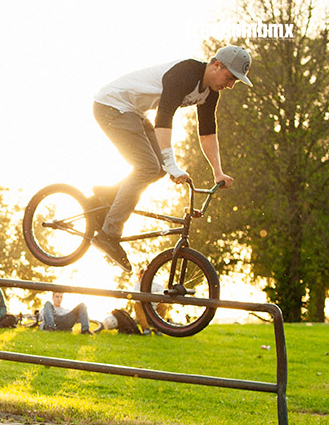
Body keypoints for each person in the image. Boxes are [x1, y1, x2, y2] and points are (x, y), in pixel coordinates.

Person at [91, 45, 252, 272]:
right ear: (217, 65)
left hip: (132, 113)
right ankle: (108, 234)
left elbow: (207, 133)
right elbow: (164, 117)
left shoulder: (210, 93)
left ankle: (106, 199)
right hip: (111, 106)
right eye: (230, 77)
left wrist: (218, 171)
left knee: (156, 169)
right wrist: (171, 164)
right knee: (148, 167)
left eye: (235, 81)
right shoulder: (186, 73)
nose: (231, 85)